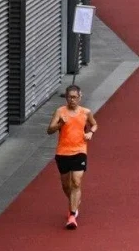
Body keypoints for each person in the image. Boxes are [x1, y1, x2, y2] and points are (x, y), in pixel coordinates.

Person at [47, 84, 98, 230]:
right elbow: (49, 130)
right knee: (66, 185)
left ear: (80, 97)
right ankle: (74, 202)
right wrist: (60, 124)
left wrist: (90, 133)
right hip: (63, 152)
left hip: (80, 150)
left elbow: (94, 124)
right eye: (69, 97)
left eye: (75, 97)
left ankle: (72, 215)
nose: (72, 100)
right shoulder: (60, 112)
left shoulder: (86, 112)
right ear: (66, 98)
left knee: (76, 182)